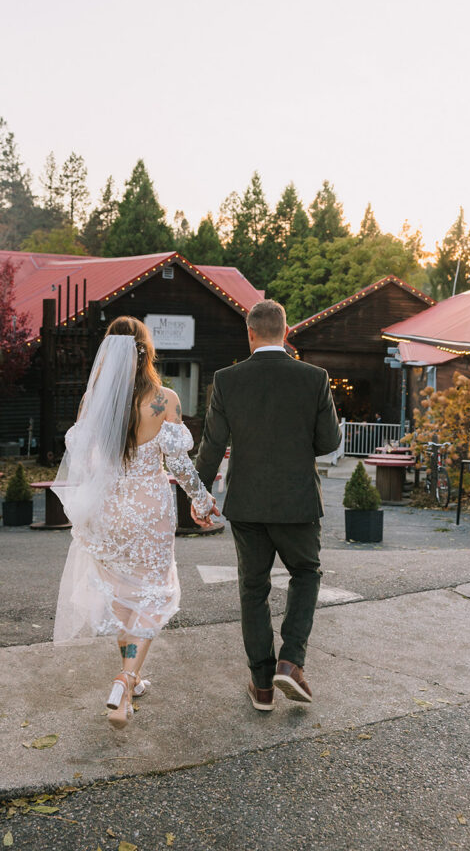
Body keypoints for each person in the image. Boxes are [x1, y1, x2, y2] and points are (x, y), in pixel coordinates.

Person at [52, 316, 218, 729]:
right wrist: (202, 499)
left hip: (107, 508)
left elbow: (86, 462)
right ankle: (125, 682)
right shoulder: (164, 399)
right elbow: (179, 464)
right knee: (153, 592)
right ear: (147, 351)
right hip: (149, 509)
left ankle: (133, 676)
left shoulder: (92, 403)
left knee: (122, 593)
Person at [195, 299, 340, 712]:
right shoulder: (314, 378)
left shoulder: (227, 380)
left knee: (253, 589)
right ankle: (291, 661)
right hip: (298, 502)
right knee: (306, 574)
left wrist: (199, 495)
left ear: (250, 333)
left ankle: (262, 686)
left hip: (247, 503)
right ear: (287, 331)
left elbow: (212, 446)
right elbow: (328, 443)